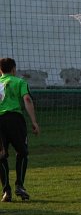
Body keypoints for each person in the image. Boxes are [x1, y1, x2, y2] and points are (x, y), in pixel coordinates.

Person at [0, 58, 40, 202]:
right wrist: (34, 121)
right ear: (13, 69)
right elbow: (27, 99)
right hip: (15, 120)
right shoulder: (20, 82)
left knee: (1, 155)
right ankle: (20, 186)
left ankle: (6, 191)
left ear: (0, 70)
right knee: (22, 152)